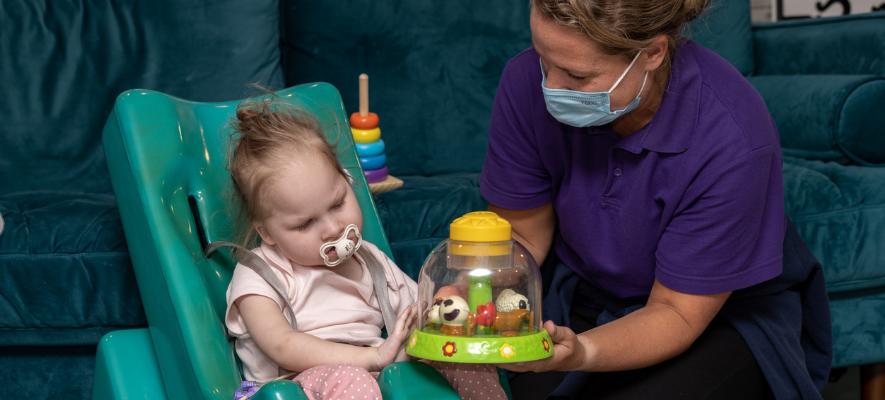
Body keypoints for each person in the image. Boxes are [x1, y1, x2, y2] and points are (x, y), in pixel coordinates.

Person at [479, 0, 832, 399]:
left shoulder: (734, 139)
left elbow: (676, 313)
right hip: (582, 292)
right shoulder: (526, 79)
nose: (550, 88)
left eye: (578, 75)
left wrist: (581, 352)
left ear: (651, 54)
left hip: (713, 315)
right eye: (544, 58)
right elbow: (524, 236)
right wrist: (473, 289)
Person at [223, 95, 508, 400]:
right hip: (291, 384)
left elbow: (417, 315)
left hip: (374, 370)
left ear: (349, 182)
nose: (333, 229)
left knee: (463, 360)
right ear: (267, 233)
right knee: (351, 380)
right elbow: (280, 344)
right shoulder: (261, 273)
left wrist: (446, 306)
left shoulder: (369, 259)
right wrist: (371, 358)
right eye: (305, 224)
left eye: (337, 203)